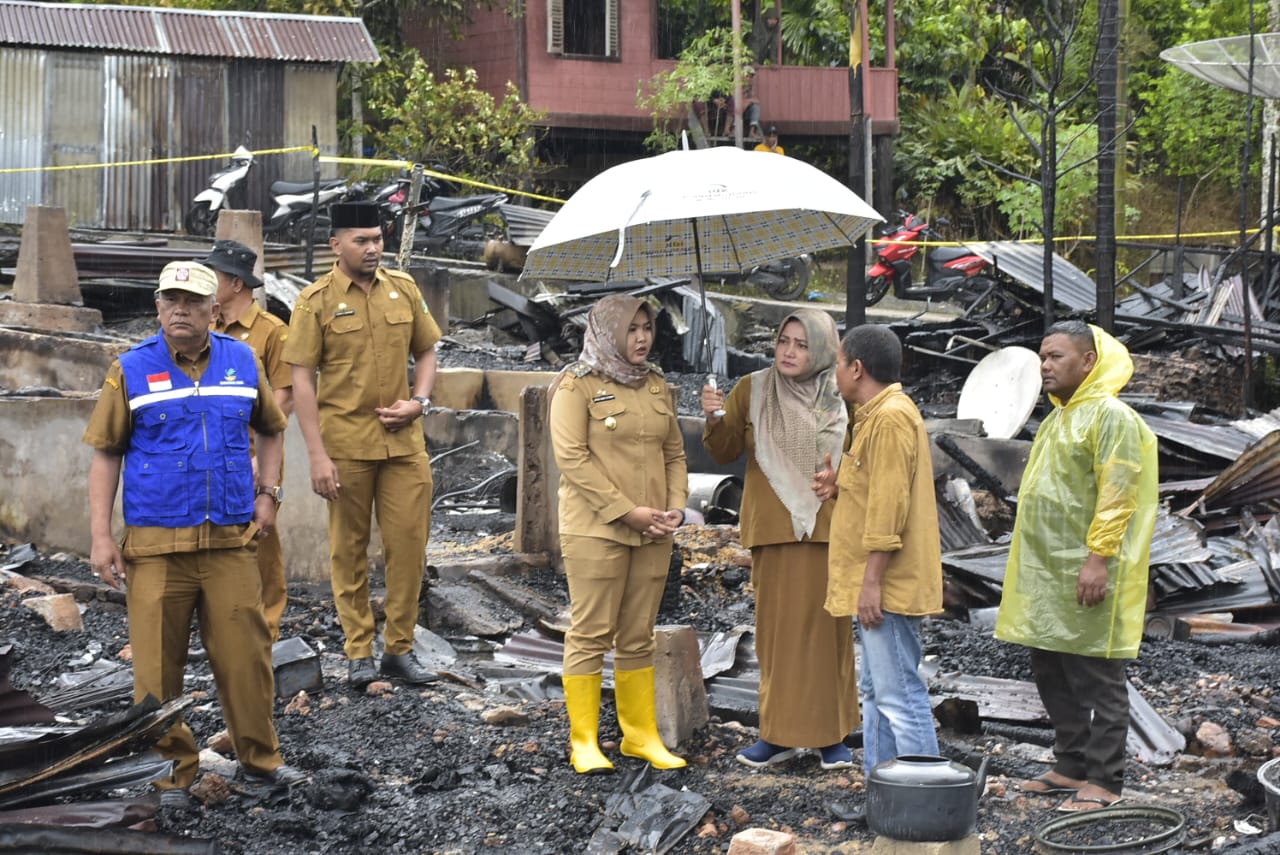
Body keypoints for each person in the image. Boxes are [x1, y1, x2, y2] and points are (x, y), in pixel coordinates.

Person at [84, 261, 304, 800]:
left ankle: (260, 761)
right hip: (156, 547)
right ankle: (173, 772)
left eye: (193, 301)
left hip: (230, 542)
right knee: (156, 670)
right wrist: (100, 536)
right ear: (157, 306)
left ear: (215, 309)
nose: (180, 309)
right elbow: (106, 454)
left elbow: (272, 431)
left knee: (246, 658)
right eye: (170, 300)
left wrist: (269, 493)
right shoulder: (130, 369)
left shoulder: (242, 360)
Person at [996, 321, 1158, 813]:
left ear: (1088, 362)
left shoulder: (1111, 417)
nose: (1044, 366)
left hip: (1087, 568)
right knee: (1051, 668)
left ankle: (1106, 779)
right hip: (1047, 573)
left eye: (1056, 356)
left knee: (1096, 674)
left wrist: (1098, 559)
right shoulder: (1058, 418)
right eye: (1042, 356)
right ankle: (1070, 764)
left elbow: (1118, 494)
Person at [283, 201, 441, 690]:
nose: (374, 248)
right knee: (348, 553)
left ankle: (399, 649)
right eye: (362, 240)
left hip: (403, 446)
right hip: (345, 447)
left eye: (378, 238)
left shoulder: (403, 290)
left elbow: (428, 349)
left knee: (409, 550)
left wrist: (420, 401)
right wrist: (315, 455)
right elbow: (301, 381)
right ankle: (358, 654)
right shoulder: (315, 302)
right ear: (336, 245)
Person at [701, 310, 859, 771]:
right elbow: (726, 449)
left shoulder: (842, 393)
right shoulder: (752, 388)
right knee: (776, 636)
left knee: (828, 634)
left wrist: (843, 477)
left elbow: (864, 458)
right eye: (783, 341)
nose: (789, 352)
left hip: (828, 527)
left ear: (824, 350)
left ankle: (832, 736)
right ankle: (777, 734)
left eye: (802, 344)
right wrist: (714, 415)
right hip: (773, 530)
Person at [549, 294, 689, 774]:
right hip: (597, 530)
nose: (643, 338)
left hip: (655, 530)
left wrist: (676, 508)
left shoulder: (656, 385)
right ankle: (584, 740)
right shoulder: (576, 385)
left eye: (647, 328)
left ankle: (639, 735)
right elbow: (572, 459)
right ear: (608, 332)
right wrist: (626, 512)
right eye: (632, 329)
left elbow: (674, 453)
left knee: (638, 635)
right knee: (590, 633)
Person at [818, 324, 942, 775]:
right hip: (877, 581)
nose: (835, 372)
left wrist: (871, 584)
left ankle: (925, 802)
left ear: (856, 368)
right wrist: (839, 487)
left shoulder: (889, 419)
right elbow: (876, 490)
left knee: (899, 695)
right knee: (875, 692)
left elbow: (889, 509)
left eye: (837, 363)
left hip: (885, 584)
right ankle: (883, 794)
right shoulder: (874, 415)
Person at [204, 239, 293, 642]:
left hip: (256, 452)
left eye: (214, 276)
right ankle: (222, 627)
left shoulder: (271, 331)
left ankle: (268, 629)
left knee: (261, 536)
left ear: (236, 284)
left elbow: (285, 395)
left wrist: (260, 454)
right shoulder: (205, 327)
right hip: (209, 452)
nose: (207, 283)